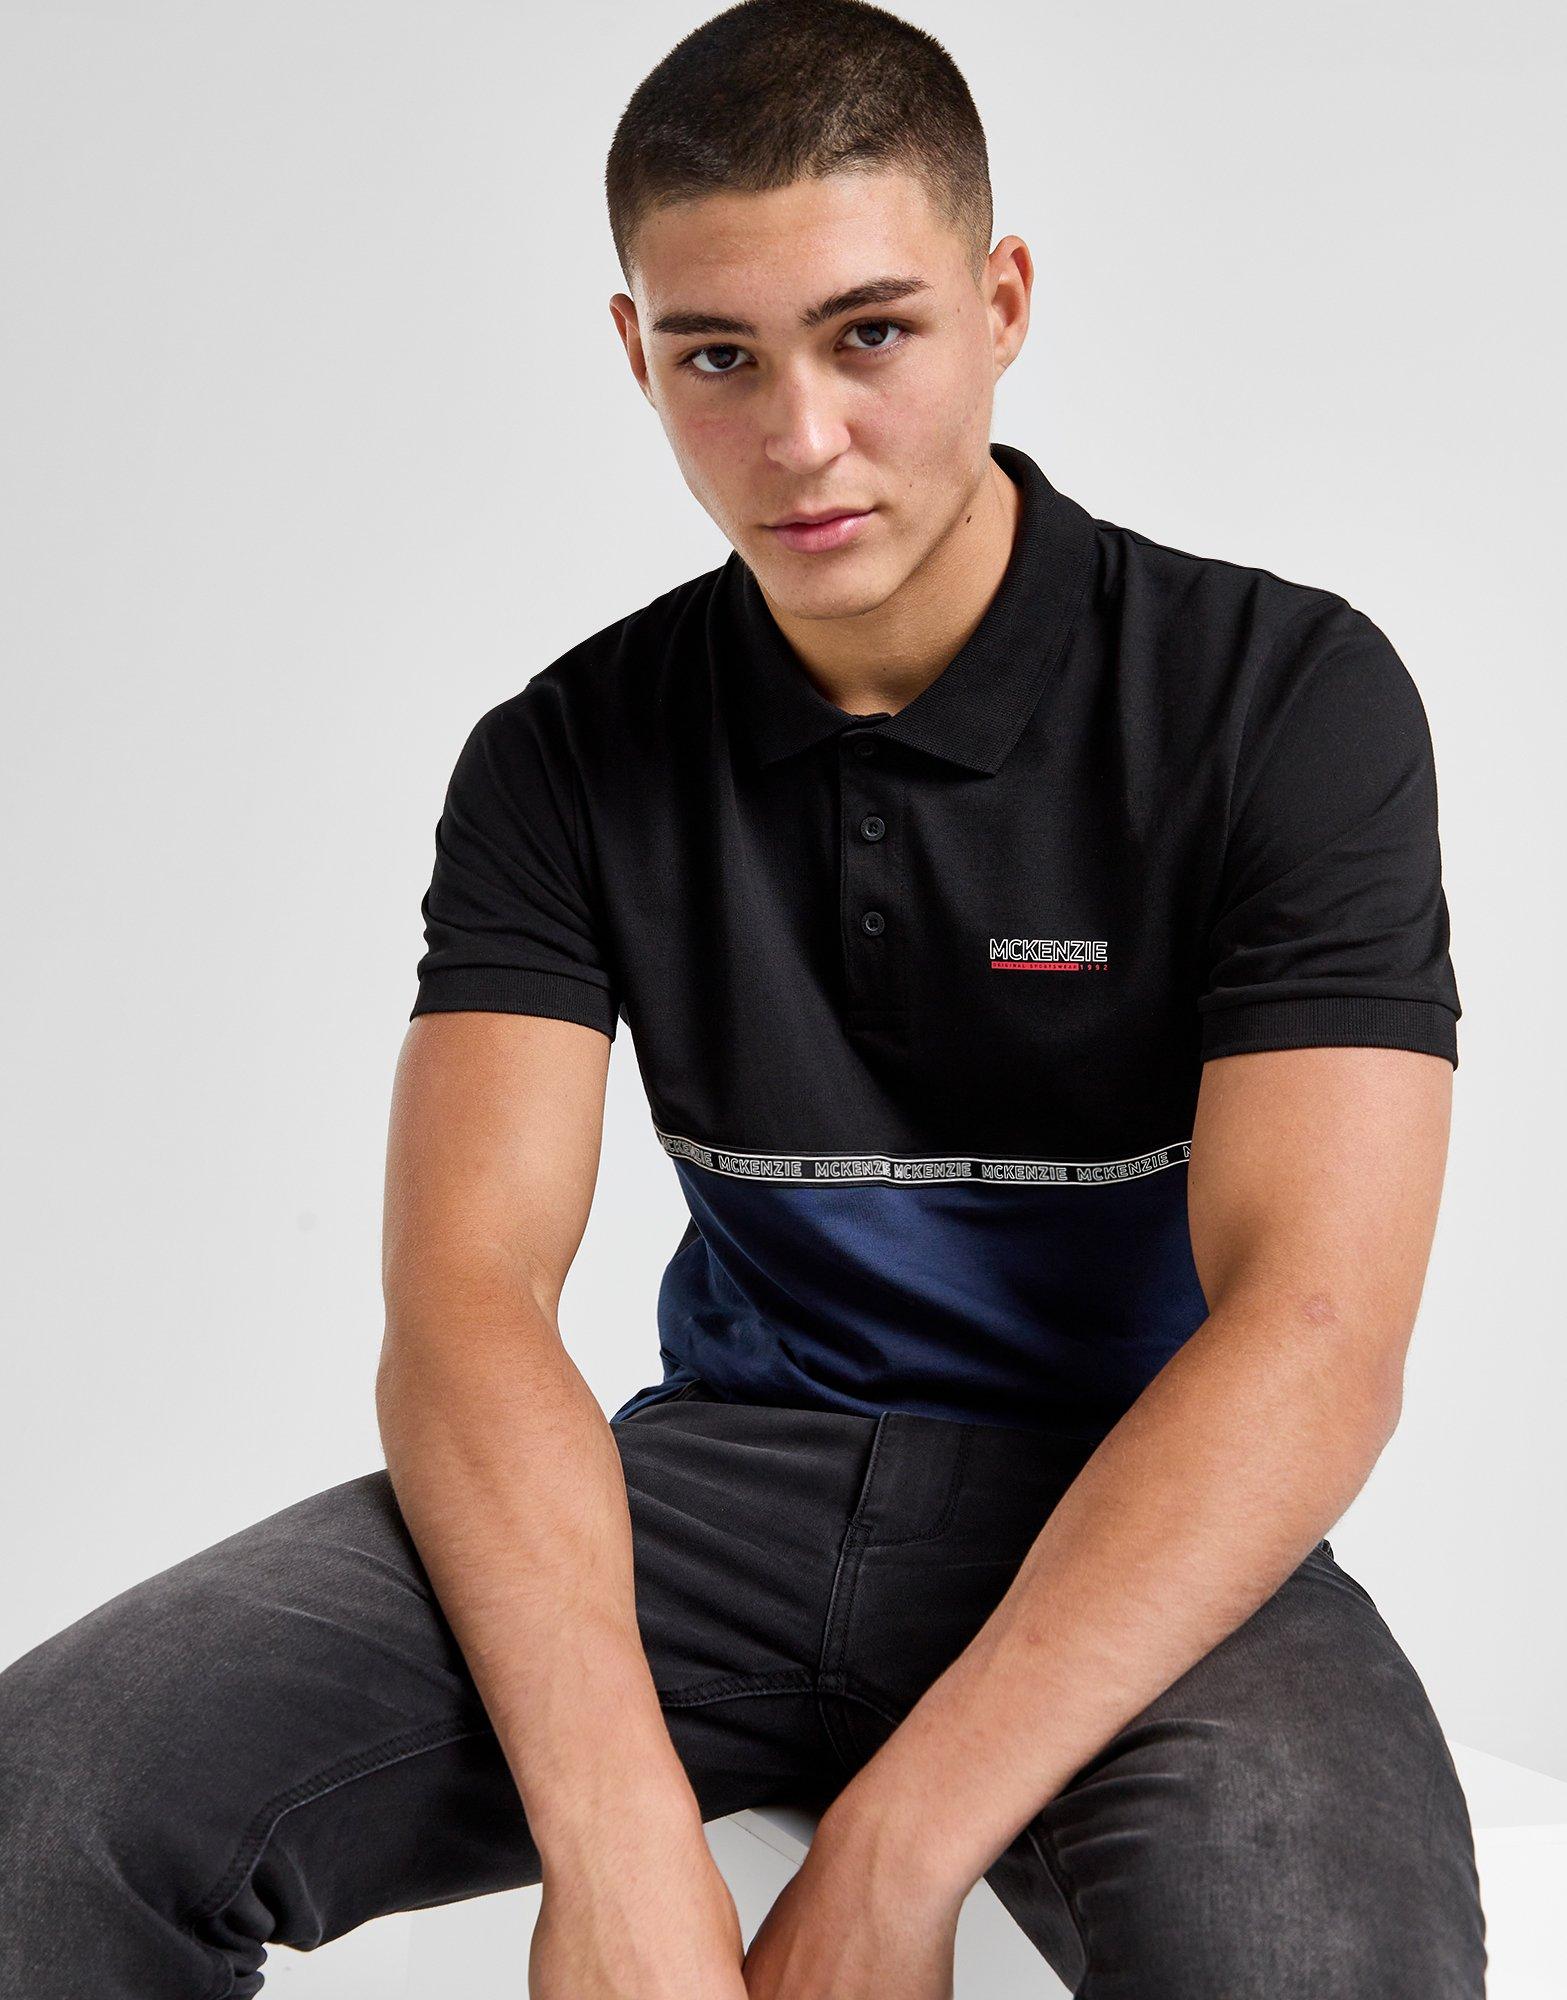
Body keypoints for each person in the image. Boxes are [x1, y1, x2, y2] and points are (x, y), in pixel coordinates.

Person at [0, 1, 1486, 1994]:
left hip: (1138, 1510)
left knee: (1316, 1963)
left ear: (1001, 302)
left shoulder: (1278, 698)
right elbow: (465, 1301)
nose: (797, 438)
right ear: (637, 352)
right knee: (49, 1797)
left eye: (869, 333)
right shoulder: (565, 751)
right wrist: (612, 1835)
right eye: (718, 356)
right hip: (714, 1496)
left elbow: (1313, 1330)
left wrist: (890, 1859)